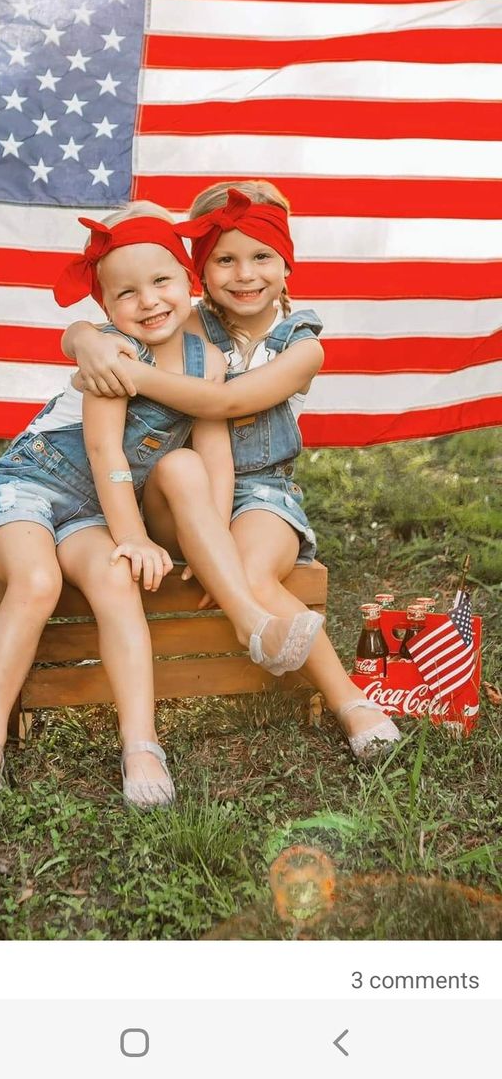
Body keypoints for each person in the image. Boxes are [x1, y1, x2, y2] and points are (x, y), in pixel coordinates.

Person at [0, 206, 322, 804]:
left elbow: (214, 456)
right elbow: (103, 450)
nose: (149, 301)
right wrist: (133, 534)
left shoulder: (210, 359)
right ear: (106, 308)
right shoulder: (111, 353)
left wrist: (214, 552)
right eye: (127, 293)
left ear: (188, 281)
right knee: (37, 578)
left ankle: (142, 745)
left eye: (161, 283)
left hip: (97, 510)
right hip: (36, 480)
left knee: (115, 583)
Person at [63, 181, 400, 760]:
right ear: (198, 268)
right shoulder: (186, 319)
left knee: (254, 572)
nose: (244, 274)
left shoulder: (303, 346)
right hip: (172, 491)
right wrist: (84, 339)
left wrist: (127, 372)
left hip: (262, 490)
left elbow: (222, 405)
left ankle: (350, 700)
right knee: (178, 461)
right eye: (225, 259)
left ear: (286, 263)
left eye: (261, 257)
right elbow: (111, 317)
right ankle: (255, 623)